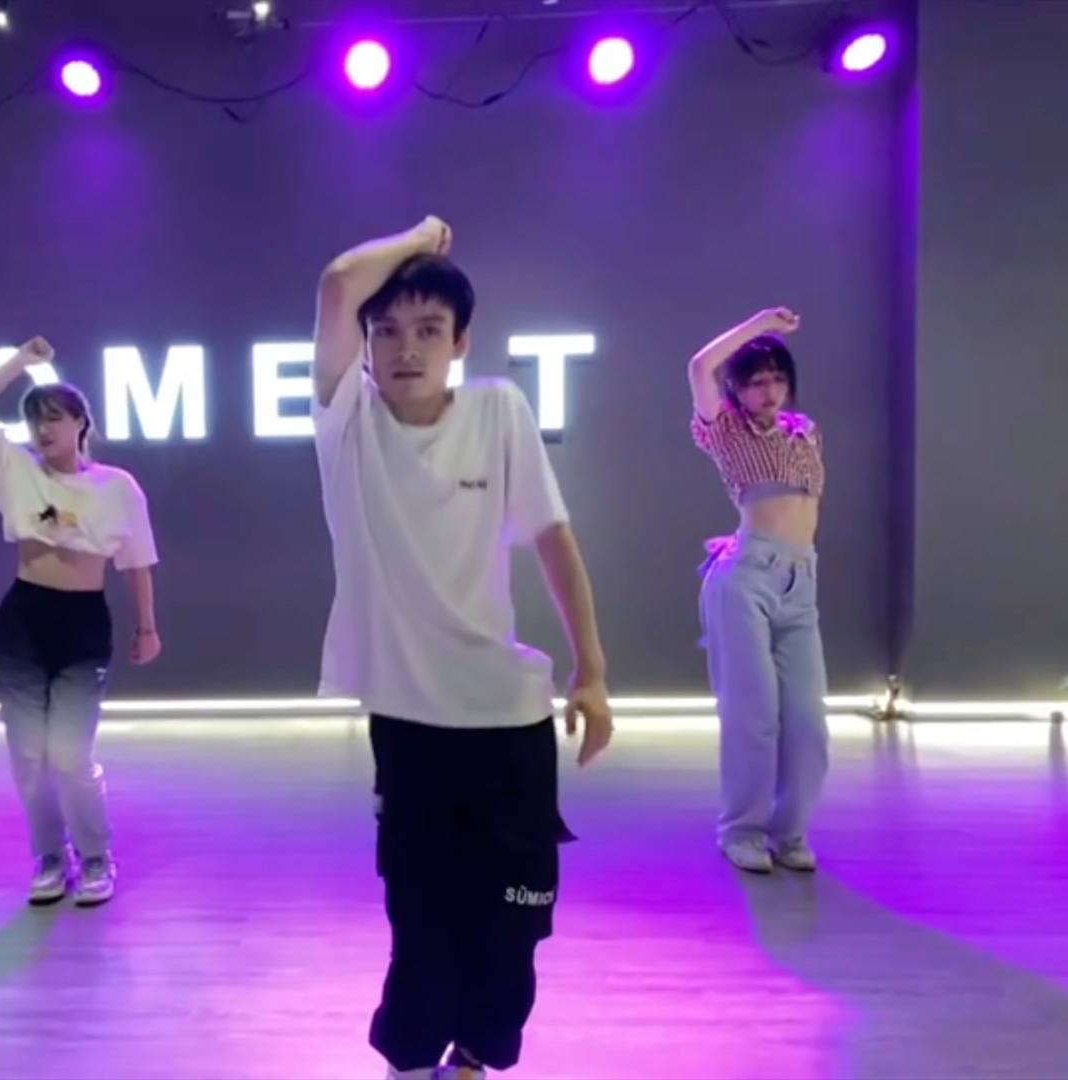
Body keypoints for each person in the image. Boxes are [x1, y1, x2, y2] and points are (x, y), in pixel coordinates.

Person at [311, 217, 614, 1080]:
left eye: (429, 329)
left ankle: (475, 1059)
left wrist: (592, 672)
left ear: (461, 342)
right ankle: (410, 1064)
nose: (406, 348)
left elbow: (553, 538)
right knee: (422, 927)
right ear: (366, 346)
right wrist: (422, 236)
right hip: (413, 732)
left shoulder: (498, 410)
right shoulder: (347, 426)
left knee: (517, 921)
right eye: (387, 331)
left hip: (512, 726)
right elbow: (339, 281)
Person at [0, 336, 161, 907]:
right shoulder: (15, 467)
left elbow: (137, 562)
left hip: (82, 626)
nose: (42, 430)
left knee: (68, 754)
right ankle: (49, 856)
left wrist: (147, 627)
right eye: (34, 420)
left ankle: (96, 856)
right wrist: (21, 362)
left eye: (53, 418)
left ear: (79, 423)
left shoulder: (116, 487)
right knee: (29, 755)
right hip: (23, 622)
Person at [686, 308, 828, 875]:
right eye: (755, 381)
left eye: (776, 378)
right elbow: (700, 366)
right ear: (737, 389)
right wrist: (761, 324)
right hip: (747, 578)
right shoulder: (725, 429)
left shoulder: (805, 431)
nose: (767, 390)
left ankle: (789, 833)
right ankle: (741, 830)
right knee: (754, 714)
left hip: (801, 580)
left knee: (808, 720)